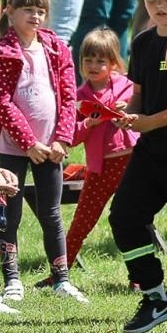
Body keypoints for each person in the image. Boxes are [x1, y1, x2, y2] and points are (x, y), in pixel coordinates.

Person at [109, 0, 167, 333]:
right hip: (149, 150)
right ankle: (155, 296)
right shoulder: (142, 42)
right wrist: (126, 114)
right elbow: (139, 94)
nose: (158, 6)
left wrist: (148, 122)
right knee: (124, 216)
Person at [0, 0, 82, 306]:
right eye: (27, 10)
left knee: (51, 213)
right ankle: (12, 279)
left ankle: (61, 278)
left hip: (51, 148)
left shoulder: (56, 48)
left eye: (41, 10)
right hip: (11, 148)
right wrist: (28, 142)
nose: (35, 16)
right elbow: (3, 102)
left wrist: (62, 138)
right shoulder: (3, 51)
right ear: (9, 12)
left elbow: (69, 94)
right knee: (10, 216)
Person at [64, 27, 137, 269]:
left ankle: (140, 276)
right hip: (101, 166)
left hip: (133, 161)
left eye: (100, 61)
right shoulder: (79, 97)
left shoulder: (128, 87)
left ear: (113, 63)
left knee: (132, 219)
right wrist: (88, 123)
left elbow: (142, 110)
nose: (93, 66)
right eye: (88, 60)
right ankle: (60, 270)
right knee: (83, 219)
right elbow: (71, 136)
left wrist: (126, 109)